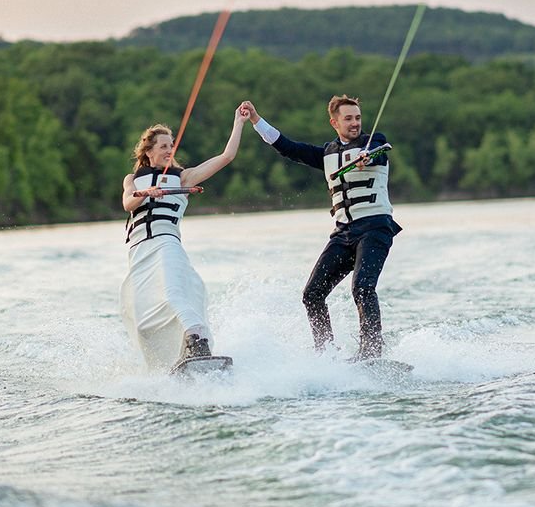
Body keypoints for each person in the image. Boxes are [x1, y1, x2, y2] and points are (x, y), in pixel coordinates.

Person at [238, 96, 400, 361]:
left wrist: (367, 157)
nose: (355, 123)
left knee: (362, 287)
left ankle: (372, 353)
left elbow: (379, 151)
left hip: (375, 227)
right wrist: (256, 120)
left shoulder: (374, 142)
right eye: (348, 119)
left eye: (358, 118)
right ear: (334, 122)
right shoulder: (326, 154)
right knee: (312, 294)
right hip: (344, 233)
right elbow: (286, 147)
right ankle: (326, 355)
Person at [120, 107, 246, 374]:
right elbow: (128, 203)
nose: (169, 150)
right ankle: (172, 360)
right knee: (142, 319)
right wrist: (146, 192)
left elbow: (227, 156)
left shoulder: (183, 177)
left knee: (173, 291)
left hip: (166, 242)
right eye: (163, 146)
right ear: (148, 151)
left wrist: (238, 122)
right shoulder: (132, 180)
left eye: (171, 146)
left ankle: (196, 339)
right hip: (139, 252)